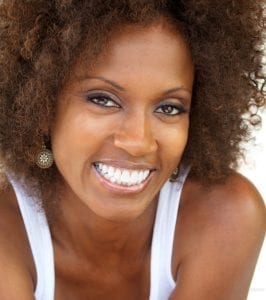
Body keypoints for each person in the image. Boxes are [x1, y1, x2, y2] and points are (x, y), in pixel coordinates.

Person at [0, 0, 265, 299]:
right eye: (102, 100)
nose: (139, 142)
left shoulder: (224, 216)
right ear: (42, 106)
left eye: (169, 108)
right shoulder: (7, 233)